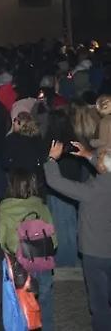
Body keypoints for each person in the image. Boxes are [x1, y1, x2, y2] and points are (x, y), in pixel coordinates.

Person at [45, 139, 111, 329]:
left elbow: (55, 181)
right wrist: (88, 156)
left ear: (101, 166)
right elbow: (106, 167)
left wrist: (51, 159)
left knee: (99, 304)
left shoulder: (91, 190)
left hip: (95, 253)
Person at [0, 168, 56, 331]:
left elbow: (1, 240)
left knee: (22, 304)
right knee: (45, 302)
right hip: (42, 258)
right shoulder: (41, 206)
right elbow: (54, 238)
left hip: (20, 261)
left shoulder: (6, 207)